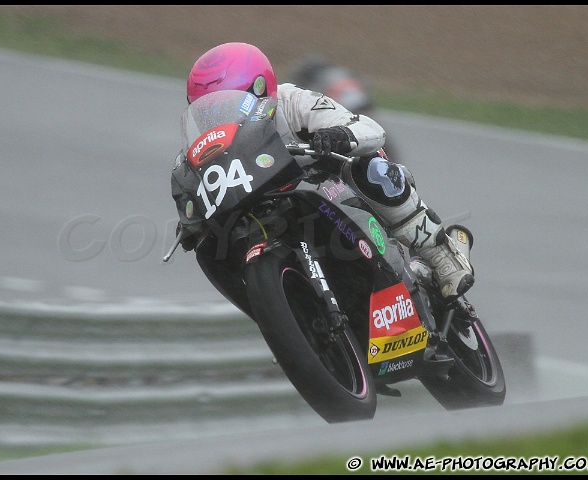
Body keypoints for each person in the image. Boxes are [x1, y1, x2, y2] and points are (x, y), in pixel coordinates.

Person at [184, 42, 473, 300]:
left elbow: (371, 128)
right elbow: (188, 181)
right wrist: (191, 221)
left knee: (373, 167)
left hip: (330, 185)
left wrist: (340, 135)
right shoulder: (207, 143)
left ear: (259, 88)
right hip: (265, 207)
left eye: (225, 105)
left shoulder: (293, 101)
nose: (217, 117)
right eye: (208, 111)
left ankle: (441, 254)